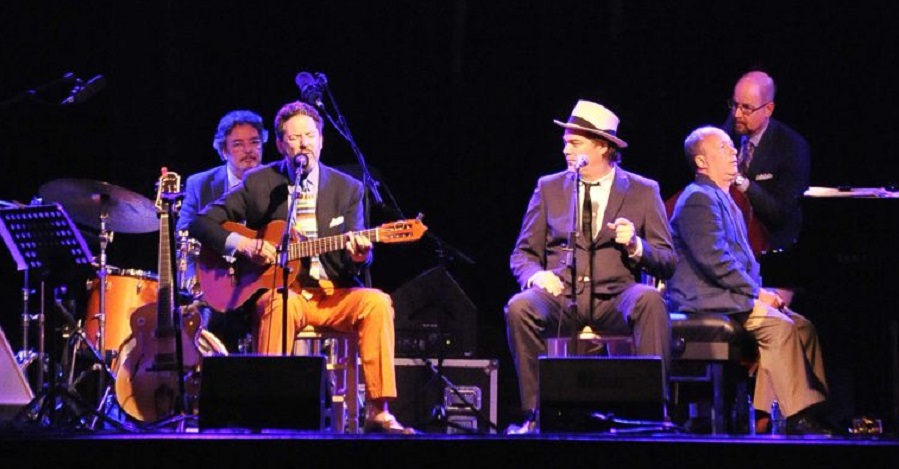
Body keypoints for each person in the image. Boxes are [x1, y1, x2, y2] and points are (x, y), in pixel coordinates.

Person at [189, 100, 414, 434]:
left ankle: (378, 411)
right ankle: (268, 409)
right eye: (294, 138)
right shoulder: (259, 182)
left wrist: (359, 255)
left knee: (378, 302)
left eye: (310, 136)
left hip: (335, 293)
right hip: (286, 294)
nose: (304, 144)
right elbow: (201, 223)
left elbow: (356, 258)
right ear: (281, 145)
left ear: (321, 140)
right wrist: (245, 245)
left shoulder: (348, 189)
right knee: (278, 303)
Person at [504, 100, 677, 434]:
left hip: (616, 298)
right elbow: (522, 254)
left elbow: (667, 260)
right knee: (519, 307)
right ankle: (536, 412)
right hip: (562, 296)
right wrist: (536, 276)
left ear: (602, 146)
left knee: (650, 301)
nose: (565, 149)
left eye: (575, 143)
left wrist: (636, 245)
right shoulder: (549, 187)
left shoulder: (643, 190)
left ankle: (655, 412)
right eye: (565, 142)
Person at [667, 126, 830, 435]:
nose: (733, 152)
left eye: (732, 147)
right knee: (779, 326)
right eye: (723, 148)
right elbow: (715, 262)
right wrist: (757, 294)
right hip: (704, 299)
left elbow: (743, 261)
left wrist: (761, 292)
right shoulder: (698, 199)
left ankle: (782, 410)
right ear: (702, 162)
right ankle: (797, 416)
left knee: (802, 325)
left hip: (727, 293)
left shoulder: (725, 198)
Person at [176, 109, 268, 353]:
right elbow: (183, 234)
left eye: (254, 142)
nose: (248, 150)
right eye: (238, 144)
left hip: (258, 278)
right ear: (223, 150)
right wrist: (195, 284)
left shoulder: (275, 182)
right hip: (212, 275)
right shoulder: (199, 184)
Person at [724, 70, 810, 296]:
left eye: (746, 108)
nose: (737, 114)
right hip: (730, 254)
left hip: (774, 257)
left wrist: (740, 181)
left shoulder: (791, 147)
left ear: (768, 109)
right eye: (734, 105)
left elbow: (783, 213)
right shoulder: (727, 132)